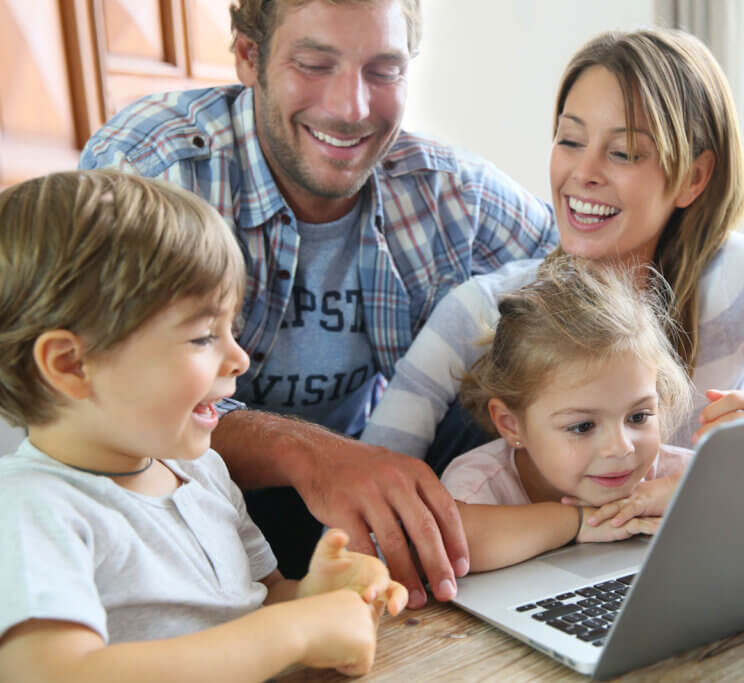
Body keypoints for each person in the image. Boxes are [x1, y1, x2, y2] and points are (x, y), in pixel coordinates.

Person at [79, 0, 558, 604]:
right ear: (249, 56)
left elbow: (589, 268)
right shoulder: (151, 173)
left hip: (373, 497)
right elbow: (113, 407)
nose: (351, 109)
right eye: (313, 63)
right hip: (186, 505)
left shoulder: (448, 192)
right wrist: (312, 455)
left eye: (383, 71)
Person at [360, 27, 744, 467]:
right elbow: (375, 474)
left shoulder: (732, 279)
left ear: (693, 179)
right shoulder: (483, 309)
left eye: (623, 153)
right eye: (570, 140)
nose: (584, 172)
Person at [0, 170, 407, 681]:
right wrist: (296, 631)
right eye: (201, 337)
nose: (239, 358)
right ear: (70, 365)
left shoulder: (204, 472)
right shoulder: (28, 507)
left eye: (230, 330)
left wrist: (316, 595)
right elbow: (51, 673)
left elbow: (251, 610)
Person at [442, 256, 695, 572]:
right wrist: (578, 521)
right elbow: (453, 546)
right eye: (583, 426)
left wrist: (690, 499)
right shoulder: (482, 484)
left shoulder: (671, 477)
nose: (622, 447)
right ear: (512, 425)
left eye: (638, 417)